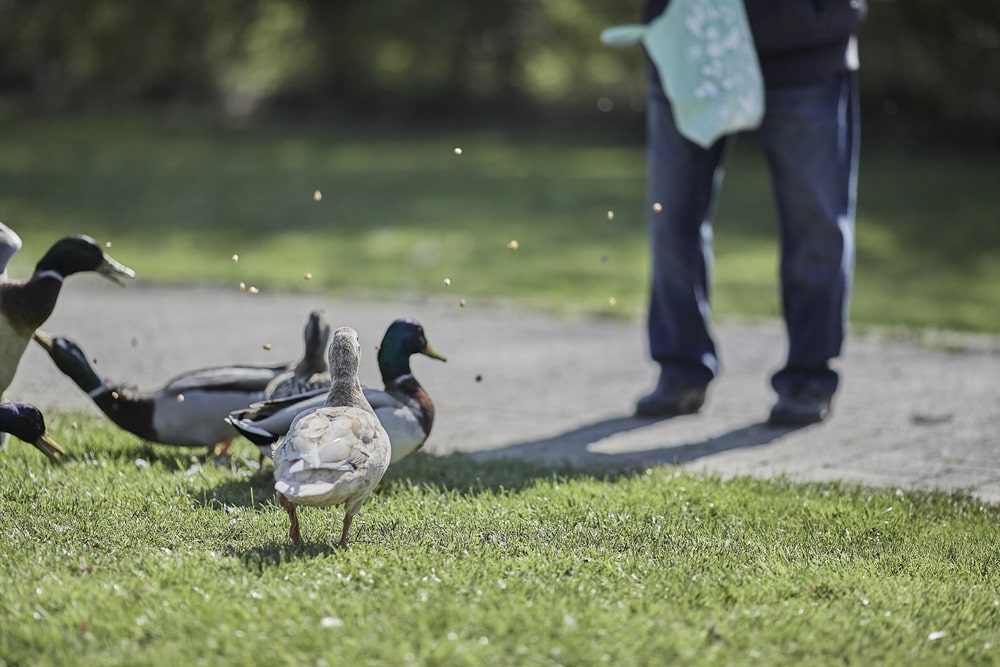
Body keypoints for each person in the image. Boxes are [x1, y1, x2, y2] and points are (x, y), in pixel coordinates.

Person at [635, 0, 866, 425]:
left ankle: (808, 377)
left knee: (816, 224)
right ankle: (681, 370)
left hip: (807, 46)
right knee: (670, 219)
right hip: (688, 44)